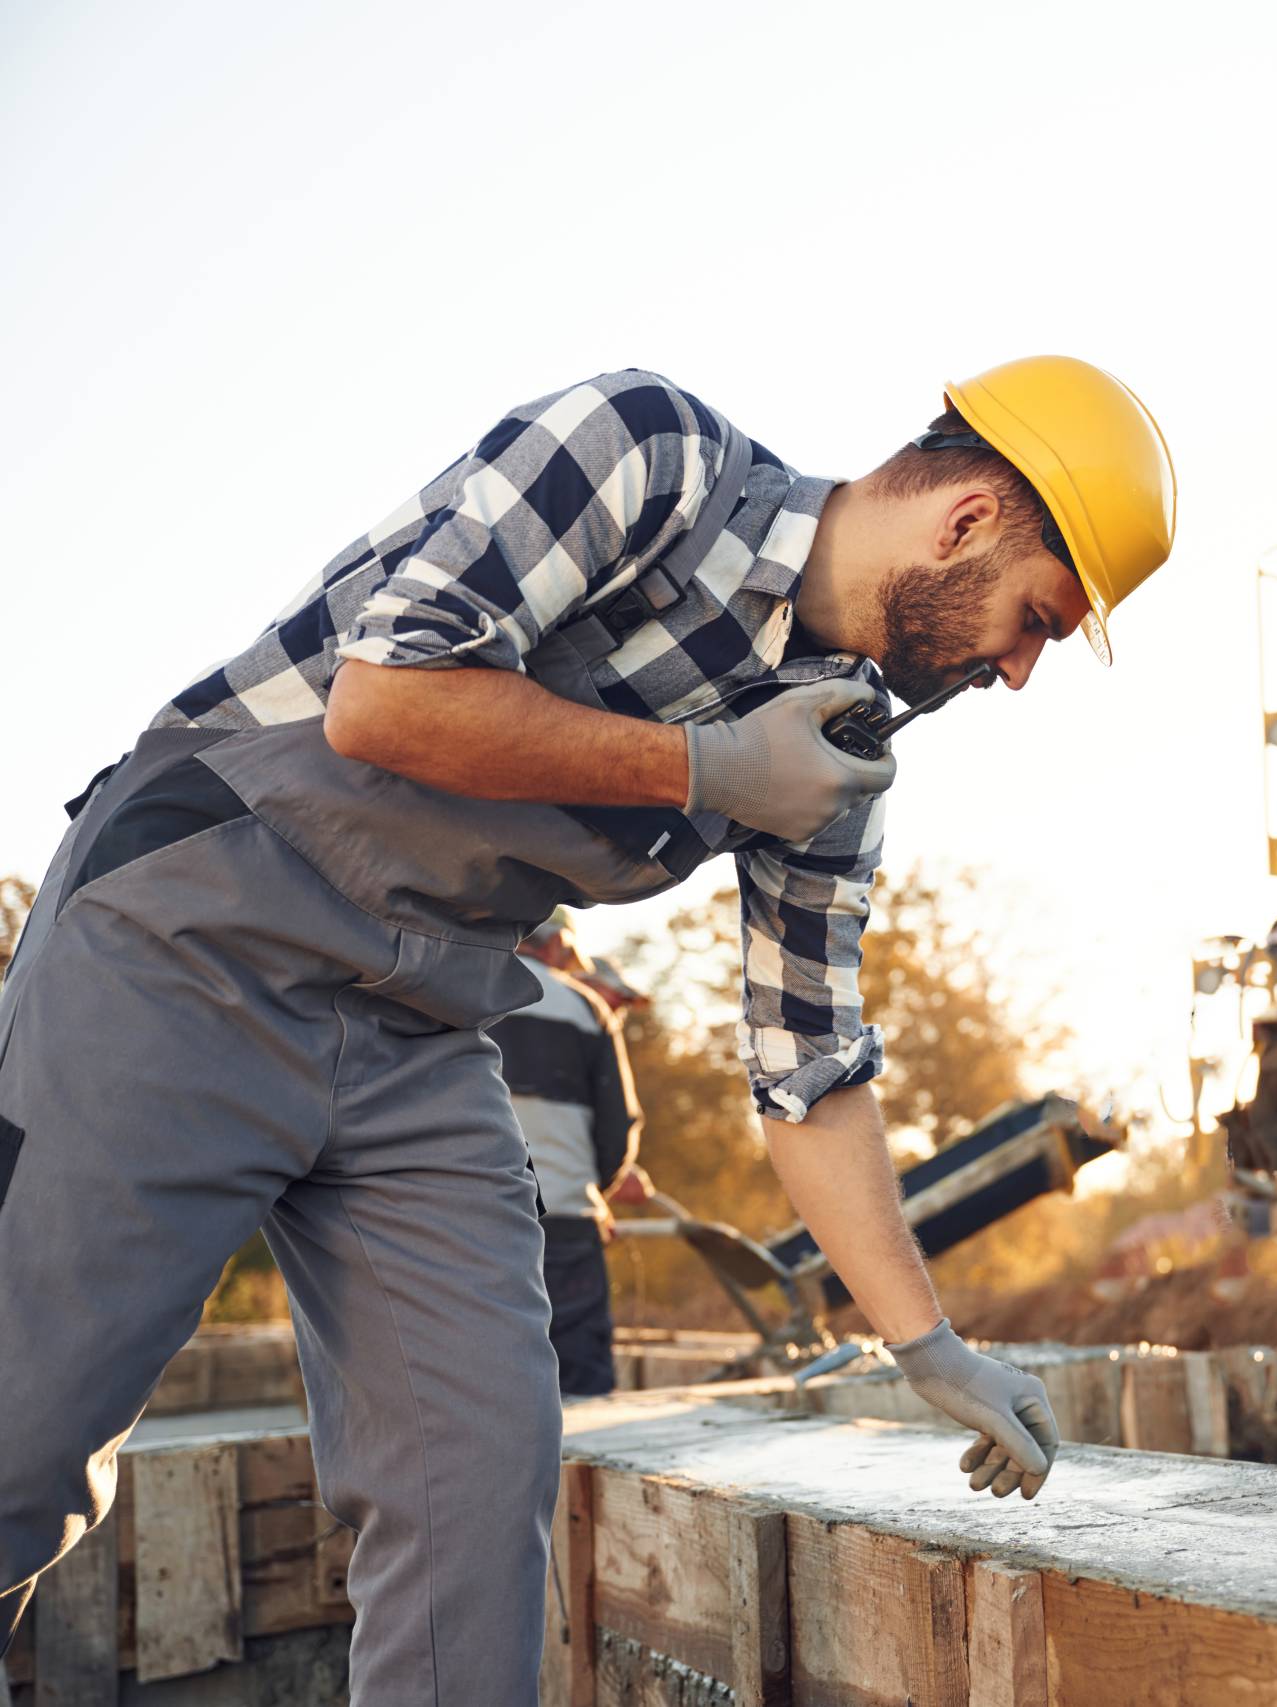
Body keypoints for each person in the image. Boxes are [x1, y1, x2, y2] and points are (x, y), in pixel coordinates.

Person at [0, 361, 1176, 1703]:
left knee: (477, 1472)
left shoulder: (840, 749)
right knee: (21, 1432)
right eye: (1033, 621)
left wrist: (929, 1342)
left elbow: (809, 1064)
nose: (1019, 672)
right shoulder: (651, 456)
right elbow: (384, 696)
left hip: (418, 1021)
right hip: (193, 931)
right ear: (967, 519)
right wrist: (704, 769)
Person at [493, 915, 643, 1398]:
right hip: (565, 1219)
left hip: (469, 1222)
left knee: (485, 1382)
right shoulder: (585, 1008)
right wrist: (588, 1188)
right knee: (578, 1377)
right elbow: (618, 1127)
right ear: (557, 943)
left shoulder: (450, 994)